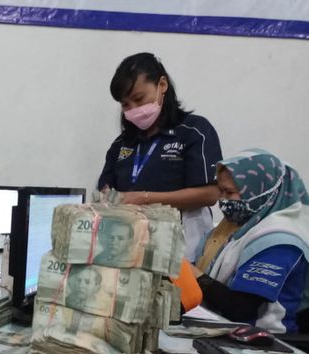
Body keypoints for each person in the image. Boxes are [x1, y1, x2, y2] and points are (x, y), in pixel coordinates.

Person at [98, 52, 223, 260]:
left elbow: (210, 194)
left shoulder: (194, 131)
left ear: (162, 85)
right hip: (130, 251)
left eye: (139, 99)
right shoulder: (122, 143)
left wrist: (144, 199)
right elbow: (105, 190)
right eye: (125, 104)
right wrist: (106, 197)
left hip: (183, 252)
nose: (133, 109)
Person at [192, 149, 309, 334]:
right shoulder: (234, 228)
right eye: (221, 191)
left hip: (265, 338)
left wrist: (192, 274)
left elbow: (241, 308)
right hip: (223, 329)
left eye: (230, 192)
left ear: (261, 191)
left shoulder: (279, 240)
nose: (223, 200)